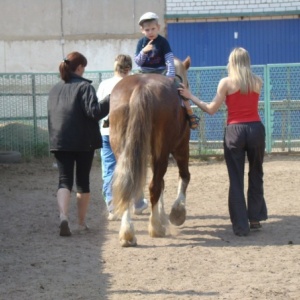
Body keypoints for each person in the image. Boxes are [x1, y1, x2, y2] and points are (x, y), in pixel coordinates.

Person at [178, 47, 268, 236]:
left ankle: (241, 227)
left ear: (232, 62)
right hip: (256, 129)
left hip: (234, 131)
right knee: (256, 173)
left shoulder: (226, 83)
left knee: (236, 179)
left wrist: (191, 96)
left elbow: (211, 109)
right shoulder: (258, 81)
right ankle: (255, 218)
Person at [48, 51, 110, 236]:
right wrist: (110, 99)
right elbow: (94, 112)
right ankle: (81, 223)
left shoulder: (55, 89)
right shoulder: (84, 87)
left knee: (64, 180)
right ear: (80, 67)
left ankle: (63, 217)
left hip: (59, 141)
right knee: (82, 181)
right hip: (83, 142)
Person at [96, 54, 148, 220]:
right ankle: (138, 202)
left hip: (107, 132)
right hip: (131, 132)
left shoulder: (105, 84)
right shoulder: (134, 84)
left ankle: (112, 205)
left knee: (110, 168)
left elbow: (97, 108)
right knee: (133, 163)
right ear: (128, 69)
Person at [135, 11, 199, 130]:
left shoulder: (163, 42)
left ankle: (189, 112)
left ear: (158, 27)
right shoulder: (141, 43)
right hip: (144, 72)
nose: (150, 32)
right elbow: (138, 62)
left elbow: (169, 58)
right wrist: (144, 51)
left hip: (161, 71)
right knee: (129, 84)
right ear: (142, 30)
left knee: (179, 86)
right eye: (147, 30)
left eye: (153, 29)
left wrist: (170, 75)